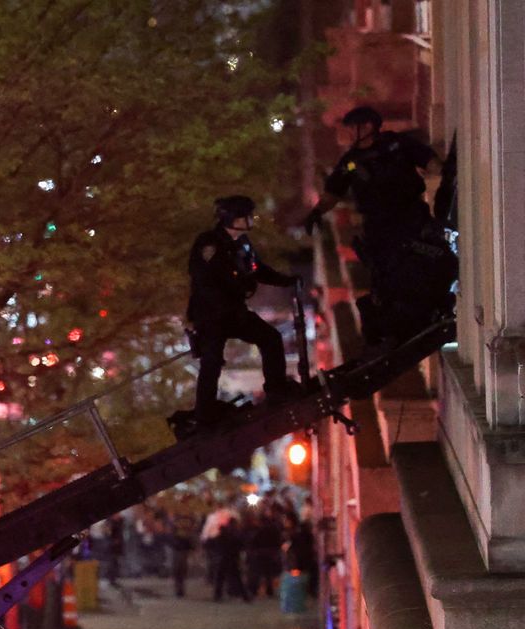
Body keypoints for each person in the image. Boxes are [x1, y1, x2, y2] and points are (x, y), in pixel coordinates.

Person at [303, 106, 451, 342]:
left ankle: (431, 311)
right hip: (378, 226)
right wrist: (316, 213)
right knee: (383, 278)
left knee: (425, 262)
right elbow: (333, 192)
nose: (350, 133)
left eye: (353, 127)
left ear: (369, 126)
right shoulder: (350, 161)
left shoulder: (397, 145)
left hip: (410, 216)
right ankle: (387, 332)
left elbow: (429, 161)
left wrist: (449, 174)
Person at [186, 195, 300, 431]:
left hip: (234, 311)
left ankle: (276, 389)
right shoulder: (208, 245)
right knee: (212, 361)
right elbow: (204, 283)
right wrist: (227, 309)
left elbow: (257, 269)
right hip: (210, 315)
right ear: (232, 218)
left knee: (270, 338)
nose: (251, 219)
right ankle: (204, 415)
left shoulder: (242, 243)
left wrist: (287, 281)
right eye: (246, 215)